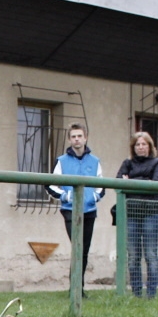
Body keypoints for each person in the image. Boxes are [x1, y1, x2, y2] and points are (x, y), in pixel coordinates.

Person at [47, 124, 105, 294]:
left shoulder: (95, 161)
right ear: (69, 139)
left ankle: (78, 288)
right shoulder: (62, 161)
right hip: (70, 210)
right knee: (77, 246)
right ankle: (75, 289)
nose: (77, 139)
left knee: (84, 250)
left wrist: (94, 197)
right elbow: (49, 184)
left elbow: (101, 185)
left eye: (79, 136)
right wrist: (65, 196)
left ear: (85, 138)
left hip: (89, 211)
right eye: (73, 136)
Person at [116, 132, 158, 299]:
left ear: (150, 146)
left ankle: (151, 294)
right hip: (131, 213)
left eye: (144, 144)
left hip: (151, 213)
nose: (140, 147)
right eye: (137, 144)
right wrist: (144, 181)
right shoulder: (127, 163)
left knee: (150, 254)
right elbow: (118, 182)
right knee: (133, 255)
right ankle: (136, 293)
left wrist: (130, 181)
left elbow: (157, 183)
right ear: (133, 147)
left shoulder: (157, 163)